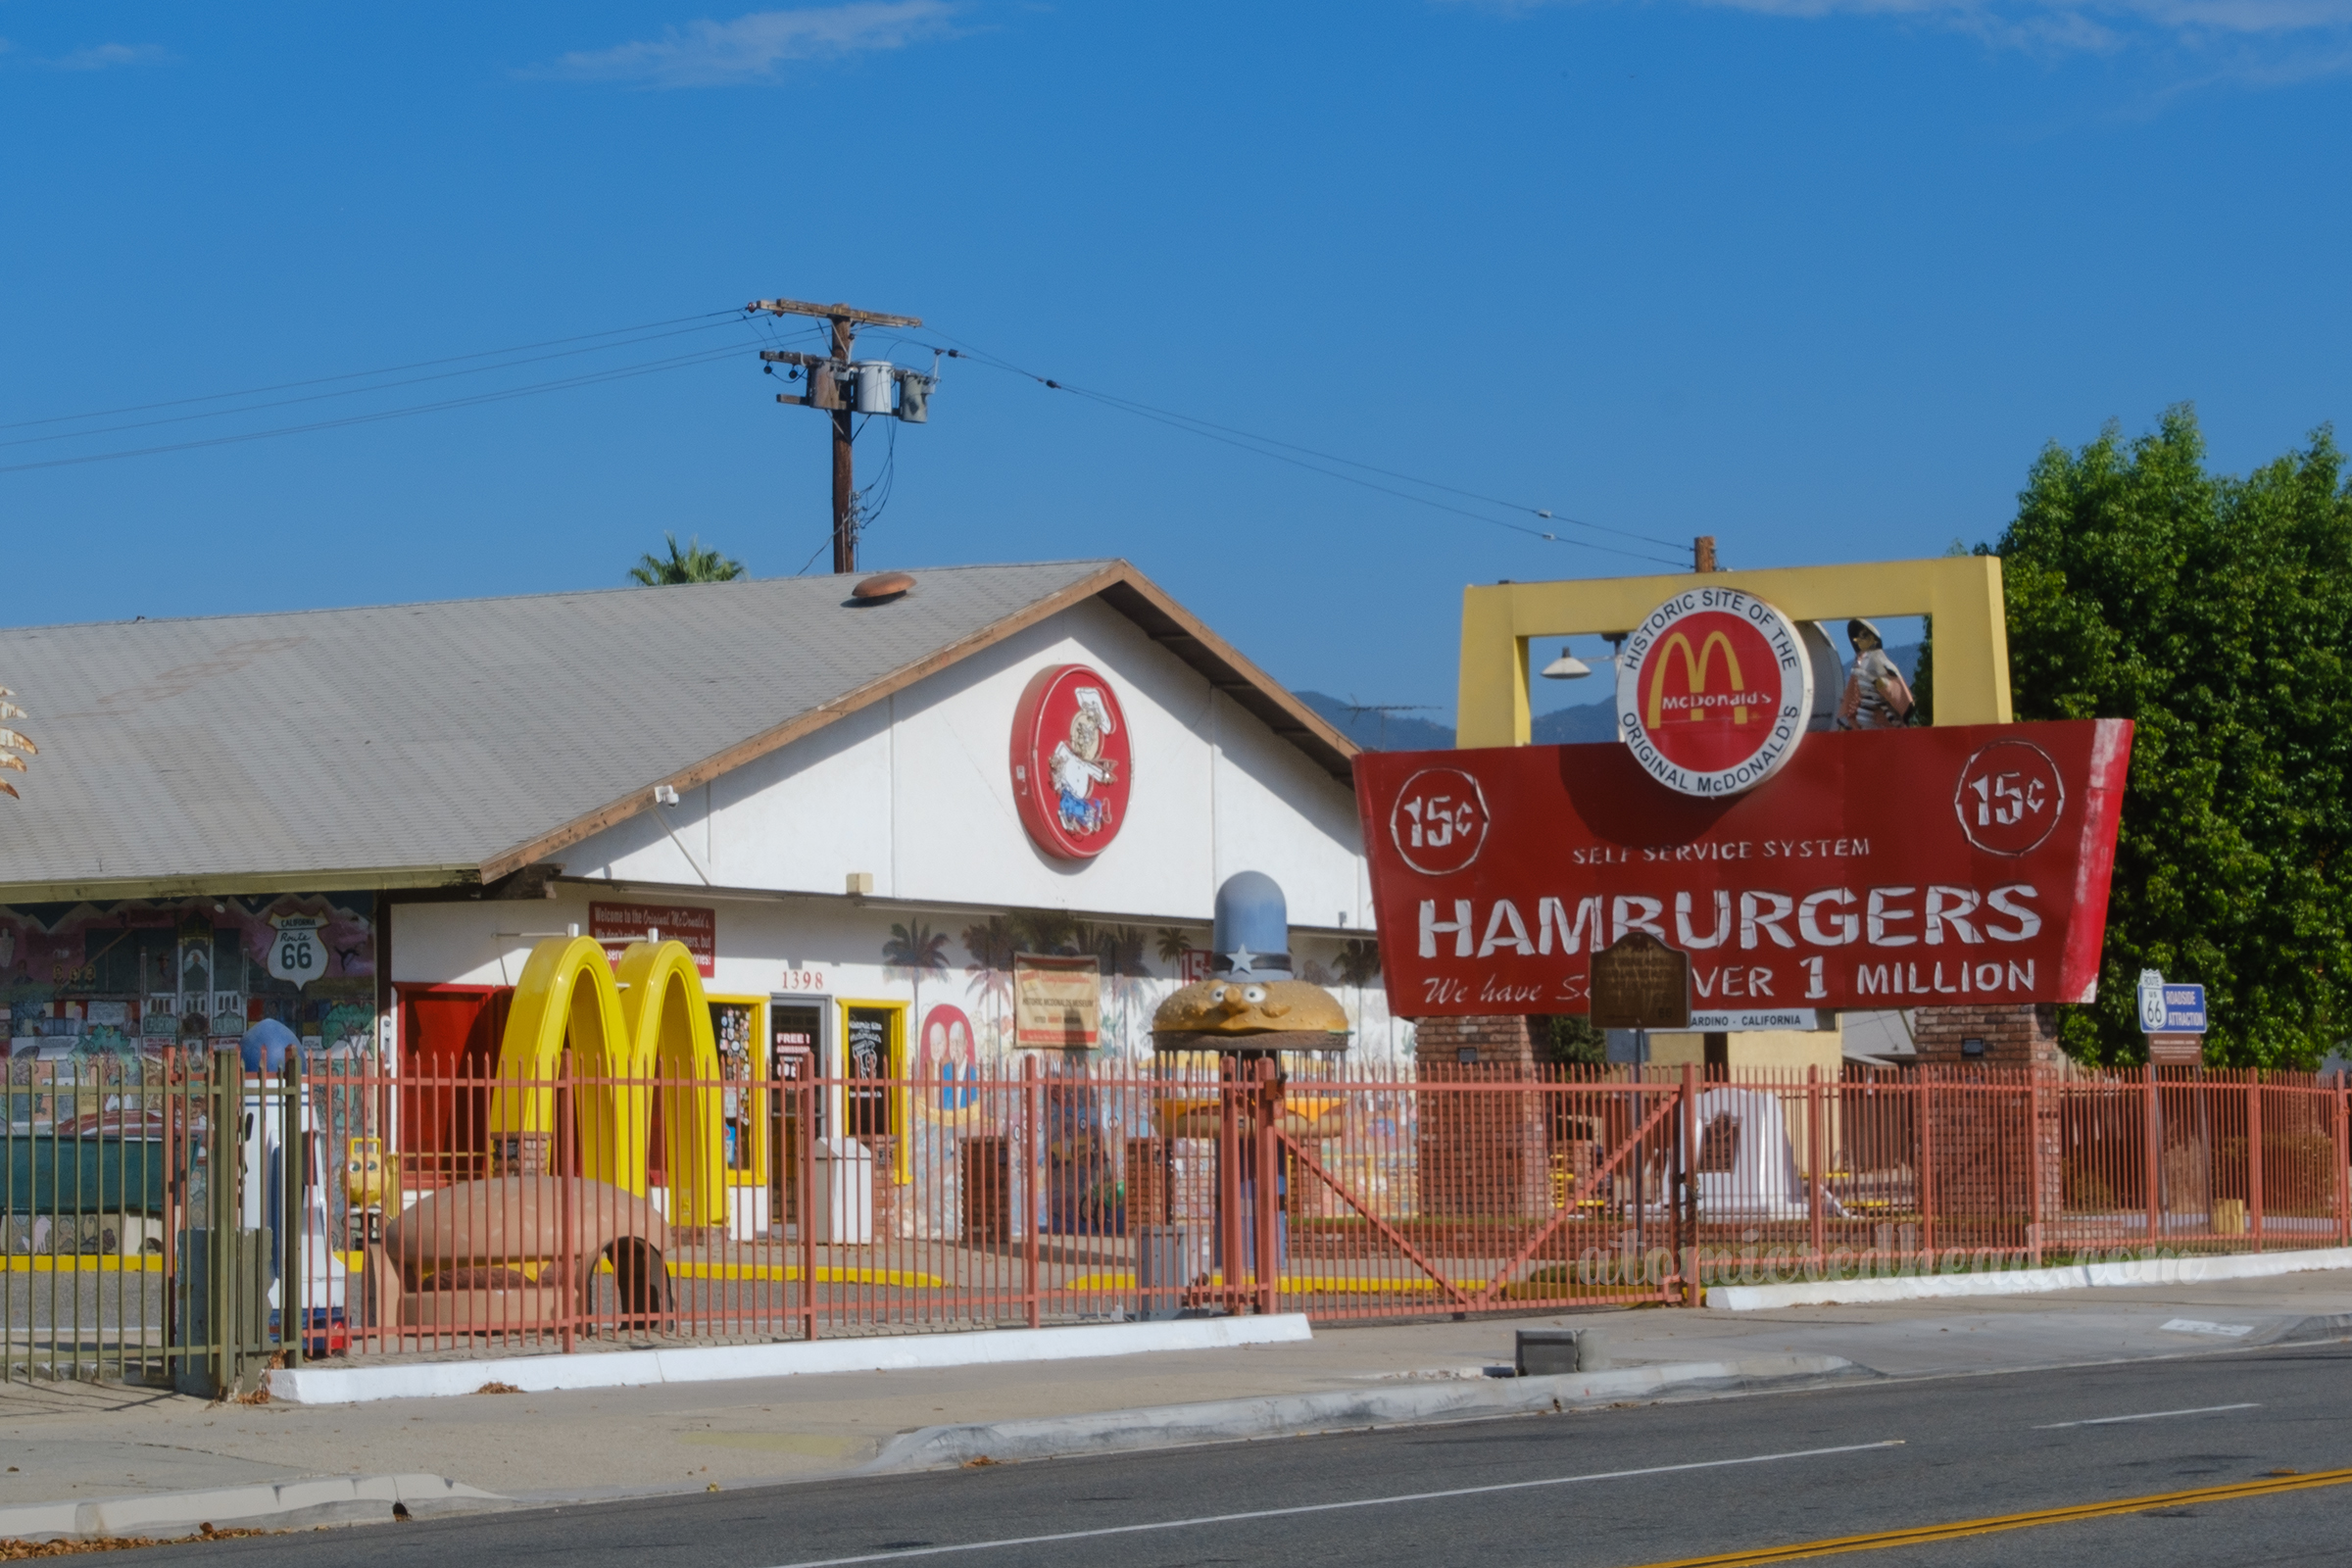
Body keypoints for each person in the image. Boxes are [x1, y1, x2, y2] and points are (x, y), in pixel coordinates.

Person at [1838, 618, 1915, 729]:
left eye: (1864, 635)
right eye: (1857, 637)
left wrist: (1880, 684)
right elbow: (1852, 695)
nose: (1858, 640)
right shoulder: (1858, 665)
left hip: (1883, 723)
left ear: (1873, 639)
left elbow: (1893, 687)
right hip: (1863, 724)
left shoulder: (1879, 661)